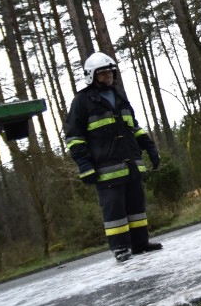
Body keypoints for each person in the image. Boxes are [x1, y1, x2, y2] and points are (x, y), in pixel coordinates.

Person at [64, 52, 162, 262]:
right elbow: (74, 137)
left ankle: (140, 243)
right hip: (106, 169)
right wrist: (84, 165)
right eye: (103, 73)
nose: (108, 76)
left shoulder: (119, 96)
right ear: (92, 76)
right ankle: (120, 248)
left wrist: (150, 148)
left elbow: (133, 126)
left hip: (131, 165)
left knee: (136, 207)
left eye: (110, 72)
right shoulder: (82, 101)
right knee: (114, 210)